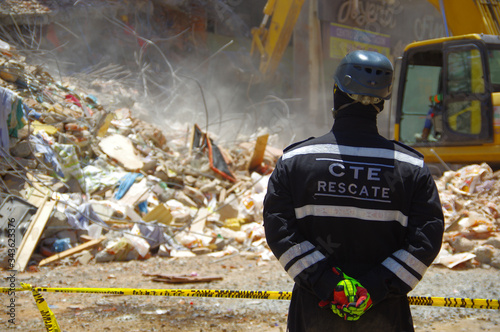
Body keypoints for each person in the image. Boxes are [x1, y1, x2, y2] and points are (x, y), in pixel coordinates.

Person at [263, 50, 444, 332]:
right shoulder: (411, 167)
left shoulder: (295, 161)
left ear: (336, 92)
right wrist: (373, 288)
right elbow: (426, 238)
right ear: (382, 103)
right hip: (385, 314)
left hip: (315, 313)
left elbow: (280, 231)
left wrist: (329, 284)